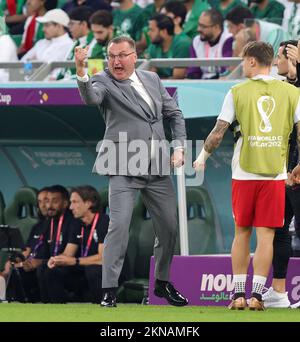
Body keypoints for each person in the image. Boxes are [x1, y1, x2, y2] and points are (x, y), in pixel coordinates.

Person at [75, 35, 188, 308]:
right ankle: (109, 290)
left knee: (169, 227)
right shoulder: (102, 80)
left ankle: (161, 283)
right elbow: (91, 97)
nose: (116, 61)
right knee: (119, 225)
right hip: (123, 164)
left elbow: (175, 114)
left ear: (134, 56)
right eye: (112, 56)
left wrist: (179, 147)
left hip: (157, 165)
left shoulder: (152, 79)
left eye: (122, 55)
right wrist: (81, 71)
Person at [193, 41, 300, 311]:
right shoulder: (291, 92)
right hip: (275, 174)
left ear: (252, 61)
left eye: (243, 60)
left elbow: (218, 132)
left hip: (243, 174)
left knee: (241, 233)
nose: (243, 65)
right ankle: (257, 296)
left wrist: (201, 158)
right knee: (267, 237)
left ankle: (238, 295)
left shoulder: (237, 91)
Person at [262, 40, 300, 308]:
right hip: (284, 170)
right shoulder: (281, 87)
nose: (276, 62)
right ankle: (278, 292)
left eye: (280, 57)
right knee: (278, 228)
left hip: (296, 170)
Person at [47, 186, 109, 303]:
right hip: (84, 268)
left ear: (89, 203)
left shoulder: (104, 222)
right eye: (70, 202)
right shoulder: (77, 223)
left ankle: (103, 310)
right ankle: (57, 311)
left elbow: (103, 258)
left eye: (75, 202)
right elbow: (68, 254)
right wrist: (57, 260)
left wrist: (75, 261)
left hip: (107, 271)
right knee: (52, 270)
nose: (70, 207)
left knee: (93, 270)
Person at [36, 185, 82, 303]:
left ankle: (58, 309)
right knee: (40, 268)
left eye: (55, 201)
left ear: (65, 204)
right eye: (47, 201)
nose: (49, 206)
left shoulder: (73, 222)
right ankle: (44, 308)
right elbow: (44, 254)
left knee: (50, 271)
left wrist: (48, 262)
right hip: (56, 264)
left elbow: (68, 255)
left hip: (74, 268)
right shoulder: (48, 223)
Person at [3, 187, 49, 302]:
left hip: (43, 264)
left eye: (46, 201)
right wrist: (17, 259)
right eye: (39, 202)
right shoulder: (37, 226)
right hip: (28, 263)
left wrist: (39, 262)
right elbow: (27, 250)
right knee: (12, 267)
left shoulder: (61, 225)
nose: (42, 205)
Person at [187, 8, 233, 79]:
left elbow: (226, 71)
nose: (198, 29)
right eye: (199, 25)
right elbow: (193, 72)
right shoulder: (196, 41)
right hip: (201, 85)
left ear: (216, 27)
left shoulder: (228, 40)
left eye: (203, 26)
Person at [147, 13, 191, 79]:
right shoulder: (153, 46)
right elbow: (150, 75)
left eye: (152, 30)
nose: (148, 33)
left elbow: (177, 77)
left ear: (164, 32)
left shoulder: (182, 44)